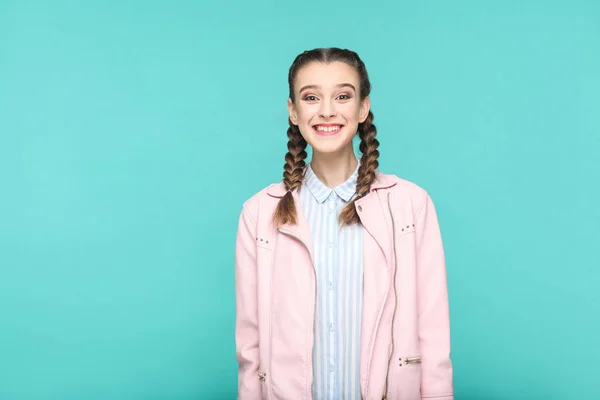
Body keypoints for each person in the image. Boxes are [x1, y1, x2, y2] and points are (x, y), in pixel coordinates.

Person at [234, 47, 453, 400]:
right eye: (310, 97)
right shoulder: (258, 213)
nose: (326, 110)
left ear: (363, 107)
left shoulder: (411, 205)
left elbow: (433, 339)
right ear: (293, 111)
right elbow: (250, 350)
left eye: (342, 95)